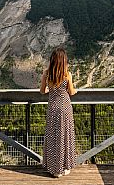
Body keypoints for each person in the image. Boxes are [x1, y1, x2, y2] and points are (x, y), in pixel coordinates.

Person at [40, 47, 77, 178]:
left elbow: (42, 91)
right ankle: (63, 167)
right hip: (65, 108)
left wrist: (52, 89)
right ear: (64, 61)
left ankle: (53, 168)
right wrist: (75, 90)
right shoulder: (67, 74)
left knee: (53, 136)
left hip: (53, 107)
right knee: (65, 136)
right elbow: (71, 92)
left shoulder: (47, 73)